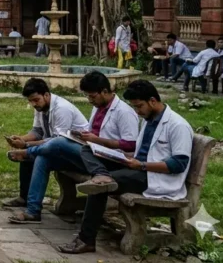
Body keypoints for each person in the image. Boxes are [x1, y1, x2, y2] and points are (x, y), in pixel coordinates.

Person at [59, 81, 193, 255]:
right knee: (88, 149)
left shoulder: (178, 125)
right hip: (137, 167)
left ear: (152, 100)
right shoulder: (149, 120)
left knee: (99, 188)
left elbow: (179, 164)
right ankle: (101, 174)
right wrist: (125, 157)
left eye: (139, 106)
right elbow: (143, 151)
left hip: (154, 177)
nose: (137, 111)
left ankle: (86, 240)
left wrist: (142, 164)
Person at [7, 71, 140, 224]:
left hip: (110, 162)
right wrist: (81, 136)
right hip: (90, 153)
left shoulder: (124, 112)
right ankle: (33, 210)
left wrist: (97, 140)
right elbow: (38, 131)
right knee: (44, 158)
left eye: (92, 96)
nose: (90, 100)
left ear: (105, 91)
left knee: (59, 142)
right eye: (87, 96)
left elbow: (131, 145)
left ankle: (28, 152)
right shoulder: (98, 107)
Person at [2, 78, 90, 209]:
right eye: (30, 101)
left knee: (36, 155)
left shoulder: (62, 109)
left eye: (36, 100)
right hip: (58, 149)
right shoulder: (40, 107)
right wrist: (22, 139)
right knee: (33, 156)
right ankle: (25, 198)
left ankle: (27, 153)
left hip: (78, 153)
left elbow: (57, 141)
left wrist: (27, 145)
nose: (33, 104)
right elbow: (37, 131)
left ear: (47, 95)